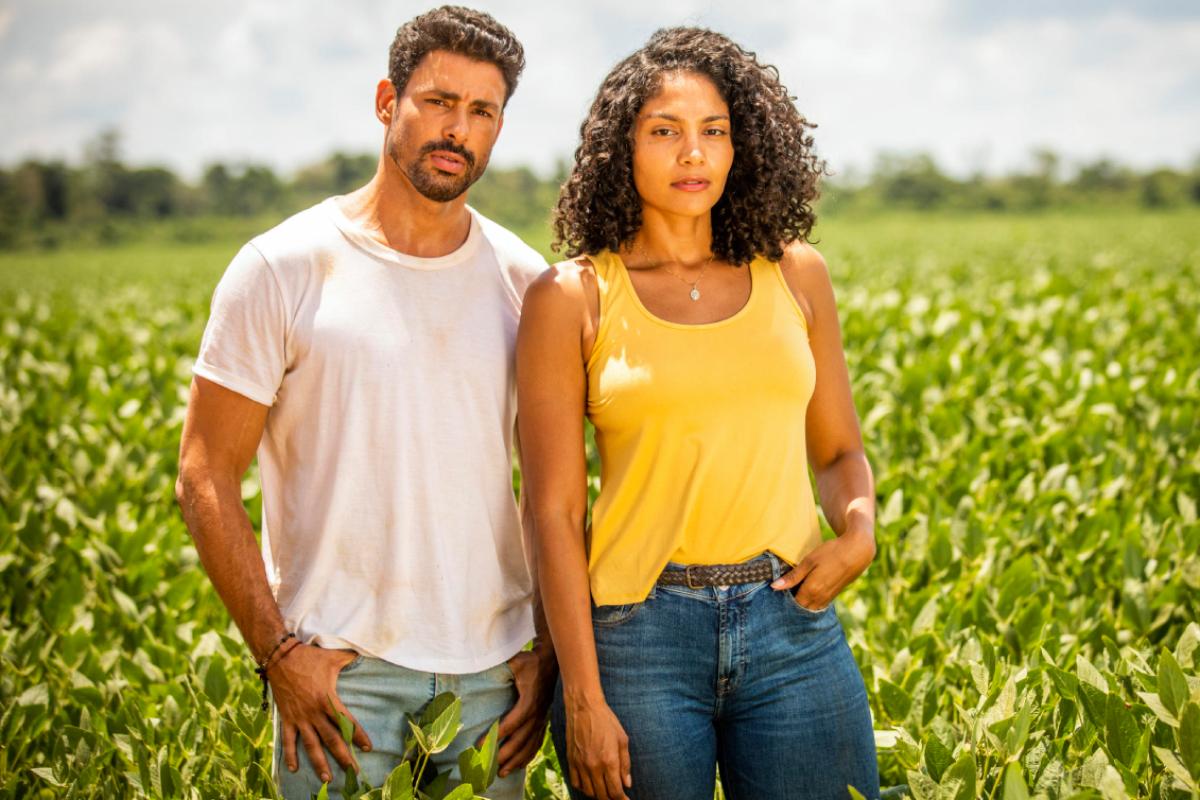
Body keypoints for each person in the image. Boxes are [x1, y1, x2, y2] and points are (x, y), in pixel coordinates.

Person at [175, 7, 556, 799]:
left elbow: (553, 492)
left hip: (493, 686)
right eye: (439, 102)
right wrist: (279, 655)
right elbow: (205, 475)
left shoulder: (526, 284)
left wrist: (547, 650)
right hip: (337, 688)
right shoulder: (281, 268)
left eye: (482, 112)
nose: (459, 130)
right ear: (388, 101)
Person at [516, 26, 880, 800]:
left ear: (741, 144)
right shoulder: (571, 296)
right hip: (637, 639)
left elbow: (839, 451)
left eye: (714, 131)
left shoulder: (796, 274)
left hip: (793, 626)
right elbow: (551, 511)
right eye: (665, 132)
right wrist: (580, 695)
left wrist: (859, 531)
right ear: (623, 148)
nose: (694, 154)